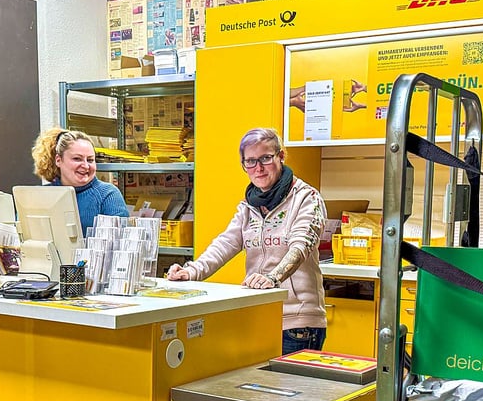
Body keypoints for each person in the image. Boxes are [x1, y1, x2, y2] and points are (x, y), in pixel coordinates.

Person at [166, 128, 327, 355]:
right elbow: (226, 243)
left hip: (297, 324)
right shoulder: (249, 206)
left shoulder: (307, 198)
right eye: (250, 161)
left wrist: (273, 277)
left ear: (281, 156)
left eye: (265, 158)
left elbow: (301, 247)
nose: (258, 168)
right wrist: (191, 271)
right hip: (259, 317)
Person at [32, 128, 129, 234]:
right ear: (58, 160)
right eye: (77, 159)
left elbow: (119, 241)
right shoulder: (39, 196)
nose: (86, 166)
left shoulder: (108, 194)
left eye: (90, 160)